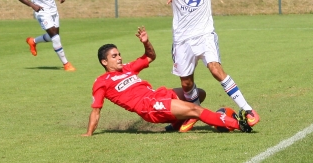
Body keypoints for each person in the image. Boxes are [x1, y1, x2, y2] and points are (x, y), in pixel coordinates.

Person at [143, 0, 259, 132]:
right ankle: (195, 111)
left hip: (205, 34)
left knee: (215, 69)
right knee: (186, 84)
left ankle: (248, 109)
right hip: (182, 40)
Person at [81, 26, 252, 136]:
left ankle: (179, 122)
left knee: (198, 94)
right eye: (114, 56)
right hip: (149, 108)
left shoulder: (127, 68)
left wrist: (146, 43)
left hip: (157, 95)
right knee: (196, 109)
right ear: (104, 62)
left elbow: (150, 57)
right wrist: (89, 133)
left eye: (119, 54)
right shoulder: (101, 82)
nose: (119, 58)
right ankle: (238, 124)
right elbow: (96, 111)